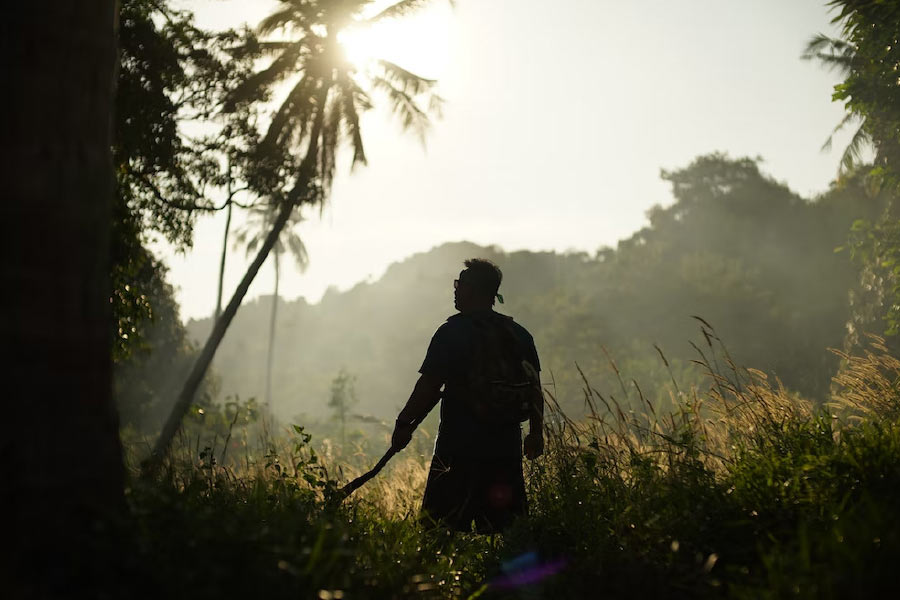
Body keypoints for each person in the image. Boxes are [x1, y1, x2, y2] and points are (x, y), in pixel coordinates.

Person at [391, 258, 544, 533]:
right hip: (504, 445)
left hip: (458, 445)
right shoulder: (519, 335)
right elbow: (534, 389)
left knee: (440, 528)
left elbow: (428, 386)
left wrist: (404, 424)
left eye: (459, 284)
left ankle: (433, 577)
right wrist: (536, 433)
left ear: (473, 289)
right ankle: (501, 575)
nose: (455, 289)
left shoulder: (451, 332)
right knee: (507, 529)